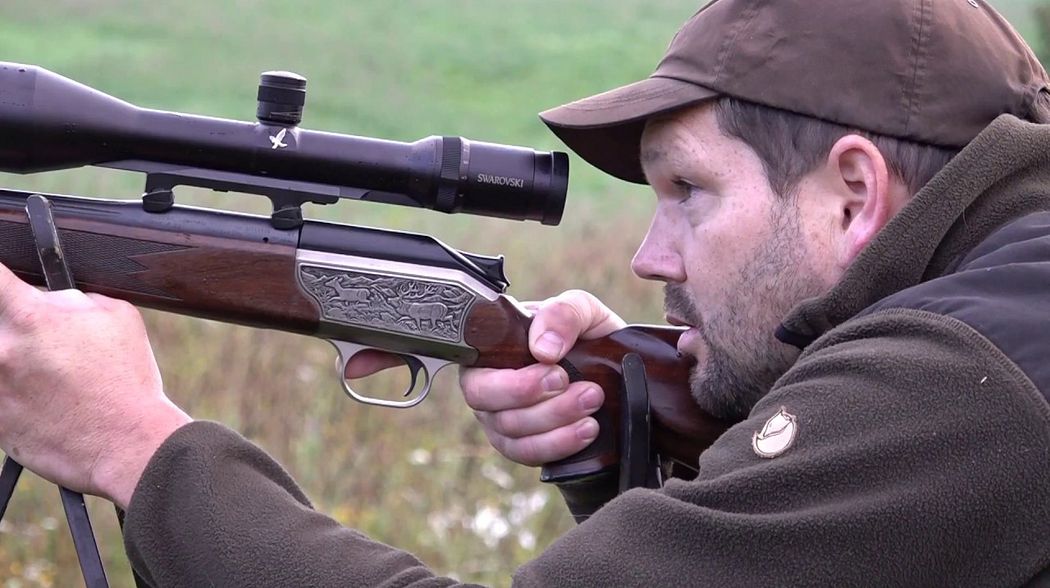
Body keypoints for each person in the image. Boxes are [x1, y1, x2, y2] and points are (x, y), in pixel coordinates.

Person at [0, 0, 1048, 585]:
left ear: (855, 193)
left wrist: (134, 448)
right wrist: (616, 442)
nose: (649, 256)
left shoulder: (964, 380)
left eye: (689, 191)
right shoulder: (1007, 296)